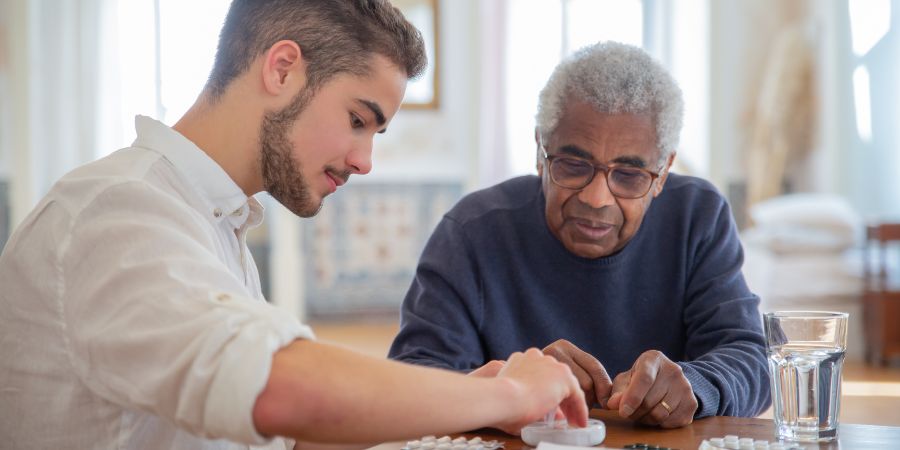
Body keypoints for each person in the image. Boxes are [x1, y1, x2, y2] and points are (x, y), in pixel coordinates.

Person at [0, 1, 588, 448]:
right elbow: (276, 387)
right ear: (282, 69)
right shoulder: (114, 209)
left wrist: (460, 404)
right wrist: (499, 393)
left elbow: (265, 429)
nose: (365, 161)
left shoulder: (210, 220)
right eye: (358, 120)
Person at [389, 41, 771, 429]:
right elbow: (413, 384)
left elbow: (751, 359)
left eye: (629, 175)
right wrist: (513, 387)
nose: (596, 198)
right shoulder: (472, 232)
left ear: (663, 172)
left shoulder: (698, 217)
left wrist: (697, 382)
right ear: (540, 151)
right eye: (573, 165)